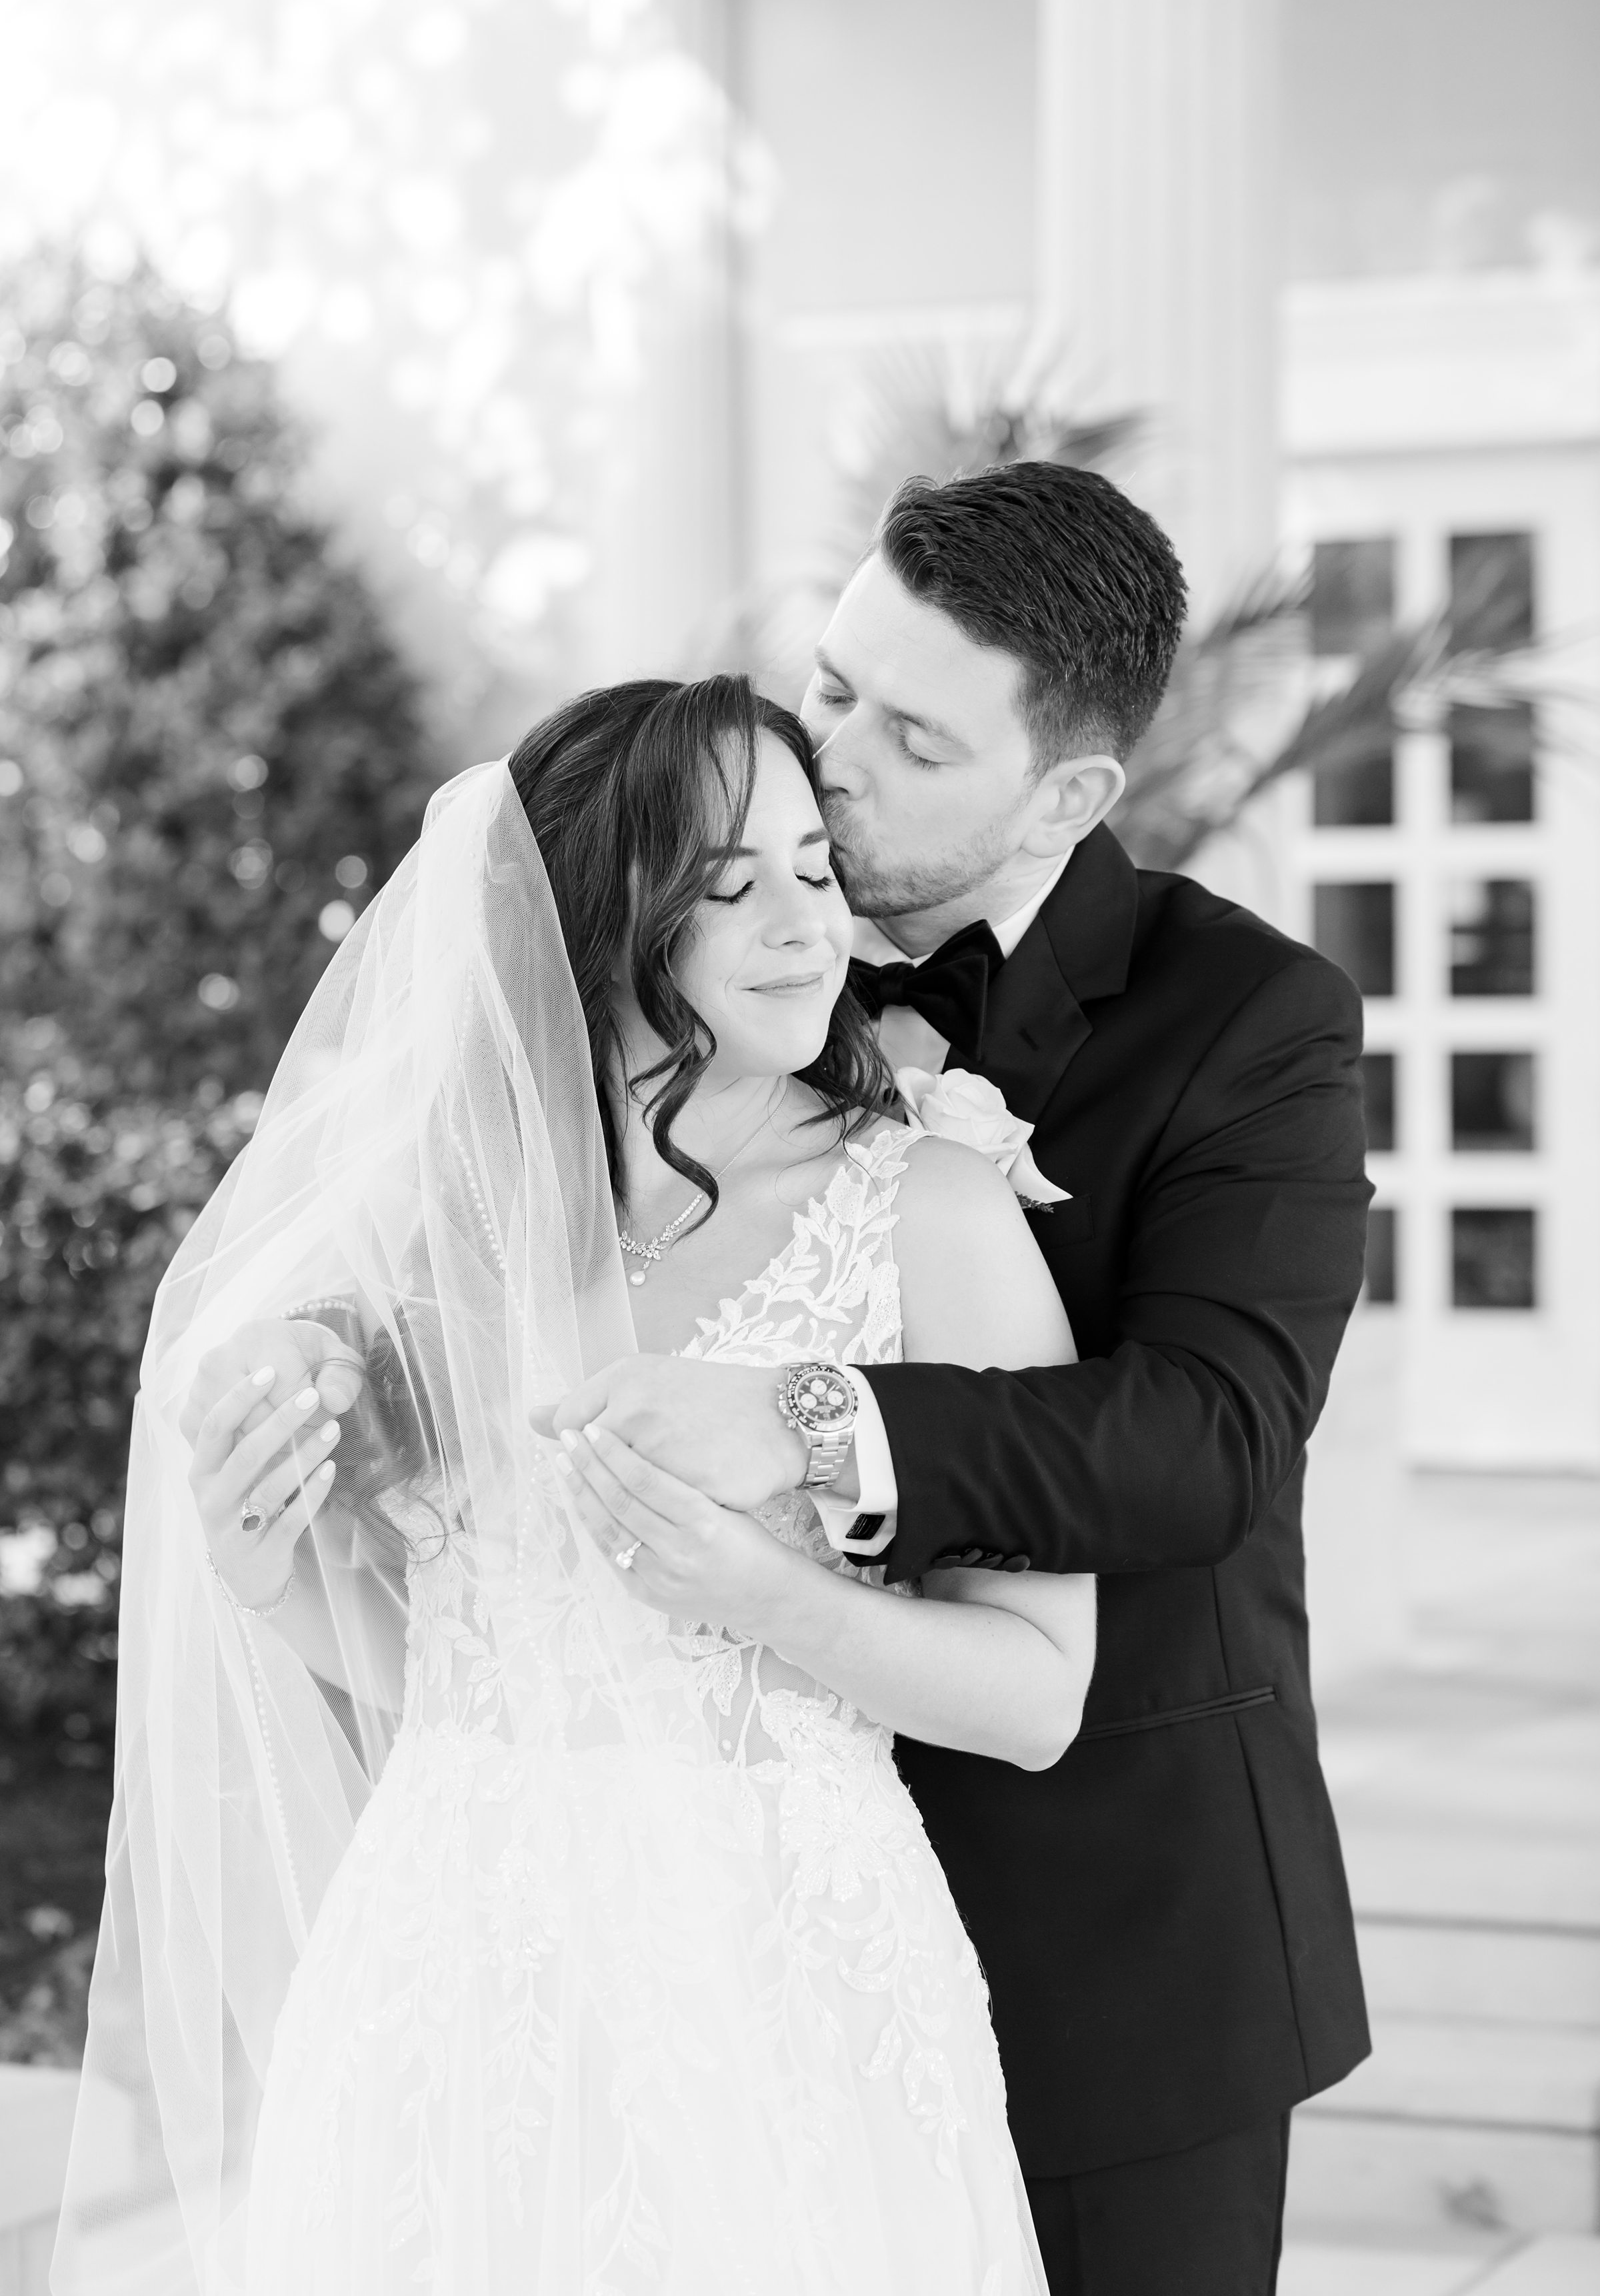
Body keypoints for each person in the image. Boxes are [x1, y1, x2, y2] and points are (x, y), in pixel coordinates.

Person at [54, 675, 1095, 2296]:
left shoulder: (928, 1218)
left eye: (814, 869)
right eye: (728, 885)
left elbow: (1037, 1693)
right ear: (596, 918)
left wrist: (765, 1597)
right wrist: (274, 1567)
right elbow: (457, 1675)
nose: (804, 926)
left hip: (784, 1987)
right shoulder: (432, 1231)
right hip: (452, 1973)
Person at [542, 463, 1375, 2296]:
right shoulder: (687, 953)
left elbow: (1209, 1439)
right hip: (721, 1945)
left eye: (911, 739)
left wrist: (803, 1416)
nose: (828, 761)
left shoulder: (1253, 1026)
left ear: (1069, 792)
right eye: (833, 684)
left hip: (1111, 1955)